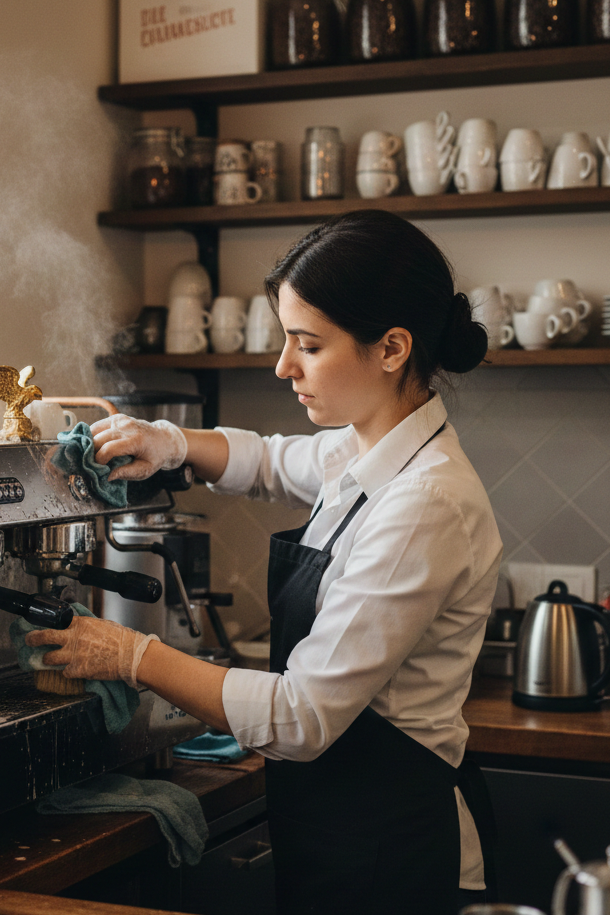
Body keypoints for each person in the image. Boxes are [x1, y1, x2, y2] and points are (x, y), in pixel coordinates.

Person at [26, 209, 503, 915]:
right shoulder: (372, 444)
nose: (283, 366)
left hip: (393, 852)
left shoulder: (423, 502)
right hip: (342, 831)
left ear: (391, 347)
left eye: (307, 345)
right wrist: (169, 441)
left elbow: (301, 715)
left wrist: (132, 655)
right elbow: (272, 460)